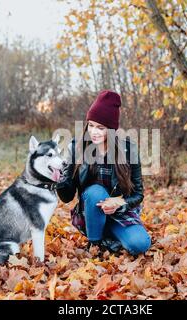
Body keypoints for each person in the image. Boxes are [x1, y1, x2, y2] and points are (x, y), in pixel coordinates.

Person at [56, 90, 151, 256]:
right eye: (91, 125)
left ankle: (108, 234)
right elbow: (67, 197)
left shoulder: (129, 150)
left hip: (120, 212)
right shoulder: (77, 147)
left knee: (140, 244)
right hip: (91, 212)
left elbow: (138, 194)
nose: (94, 132)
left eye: (101, 128)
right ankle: (95, 243)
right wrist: (60, 180)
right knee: (95, 192)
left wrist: (119, 203)